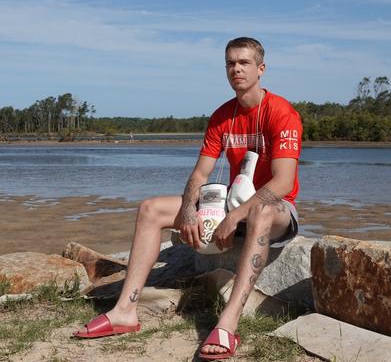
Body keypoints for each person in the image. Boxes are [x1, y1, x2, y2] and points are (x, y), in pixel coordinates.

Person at [74, 37, 303, 360]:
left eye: (244, 62)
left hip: (275, 211)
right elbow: (199, 176)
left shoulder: (282, 113)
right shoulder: (223, 116)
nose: (236, 68)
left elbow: (283, 182)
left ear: (261, 69)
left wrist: (234, 218)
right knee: (150, 209)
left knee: (261, 212)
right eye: (230, 63)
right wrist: (189, 211)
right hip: (231, 204)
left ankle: (227, 324)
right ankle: (125, 310)